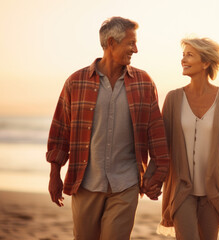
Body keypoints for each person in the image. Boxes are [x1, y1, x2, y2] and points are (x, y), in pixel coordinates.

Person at [46, 16, 169, 240]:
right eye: (131, 43)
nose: (136, 49)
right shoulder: (76, 82)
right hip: (86, 183)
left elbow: (156, 135)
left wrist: (156, 176)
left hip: (126, 184)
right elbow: (60, 132)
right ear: (111, 43)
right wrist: (55, 174)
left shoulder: (144, 83)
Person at [157, 37, 219, 240]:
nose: (183, 59)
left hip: (215, 190)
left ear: (205, 63)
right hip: (180, 188)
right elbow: (162, 145)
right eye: (183, 54)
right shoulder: (173, 99)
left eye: (189, 55)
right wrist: (152, 177)